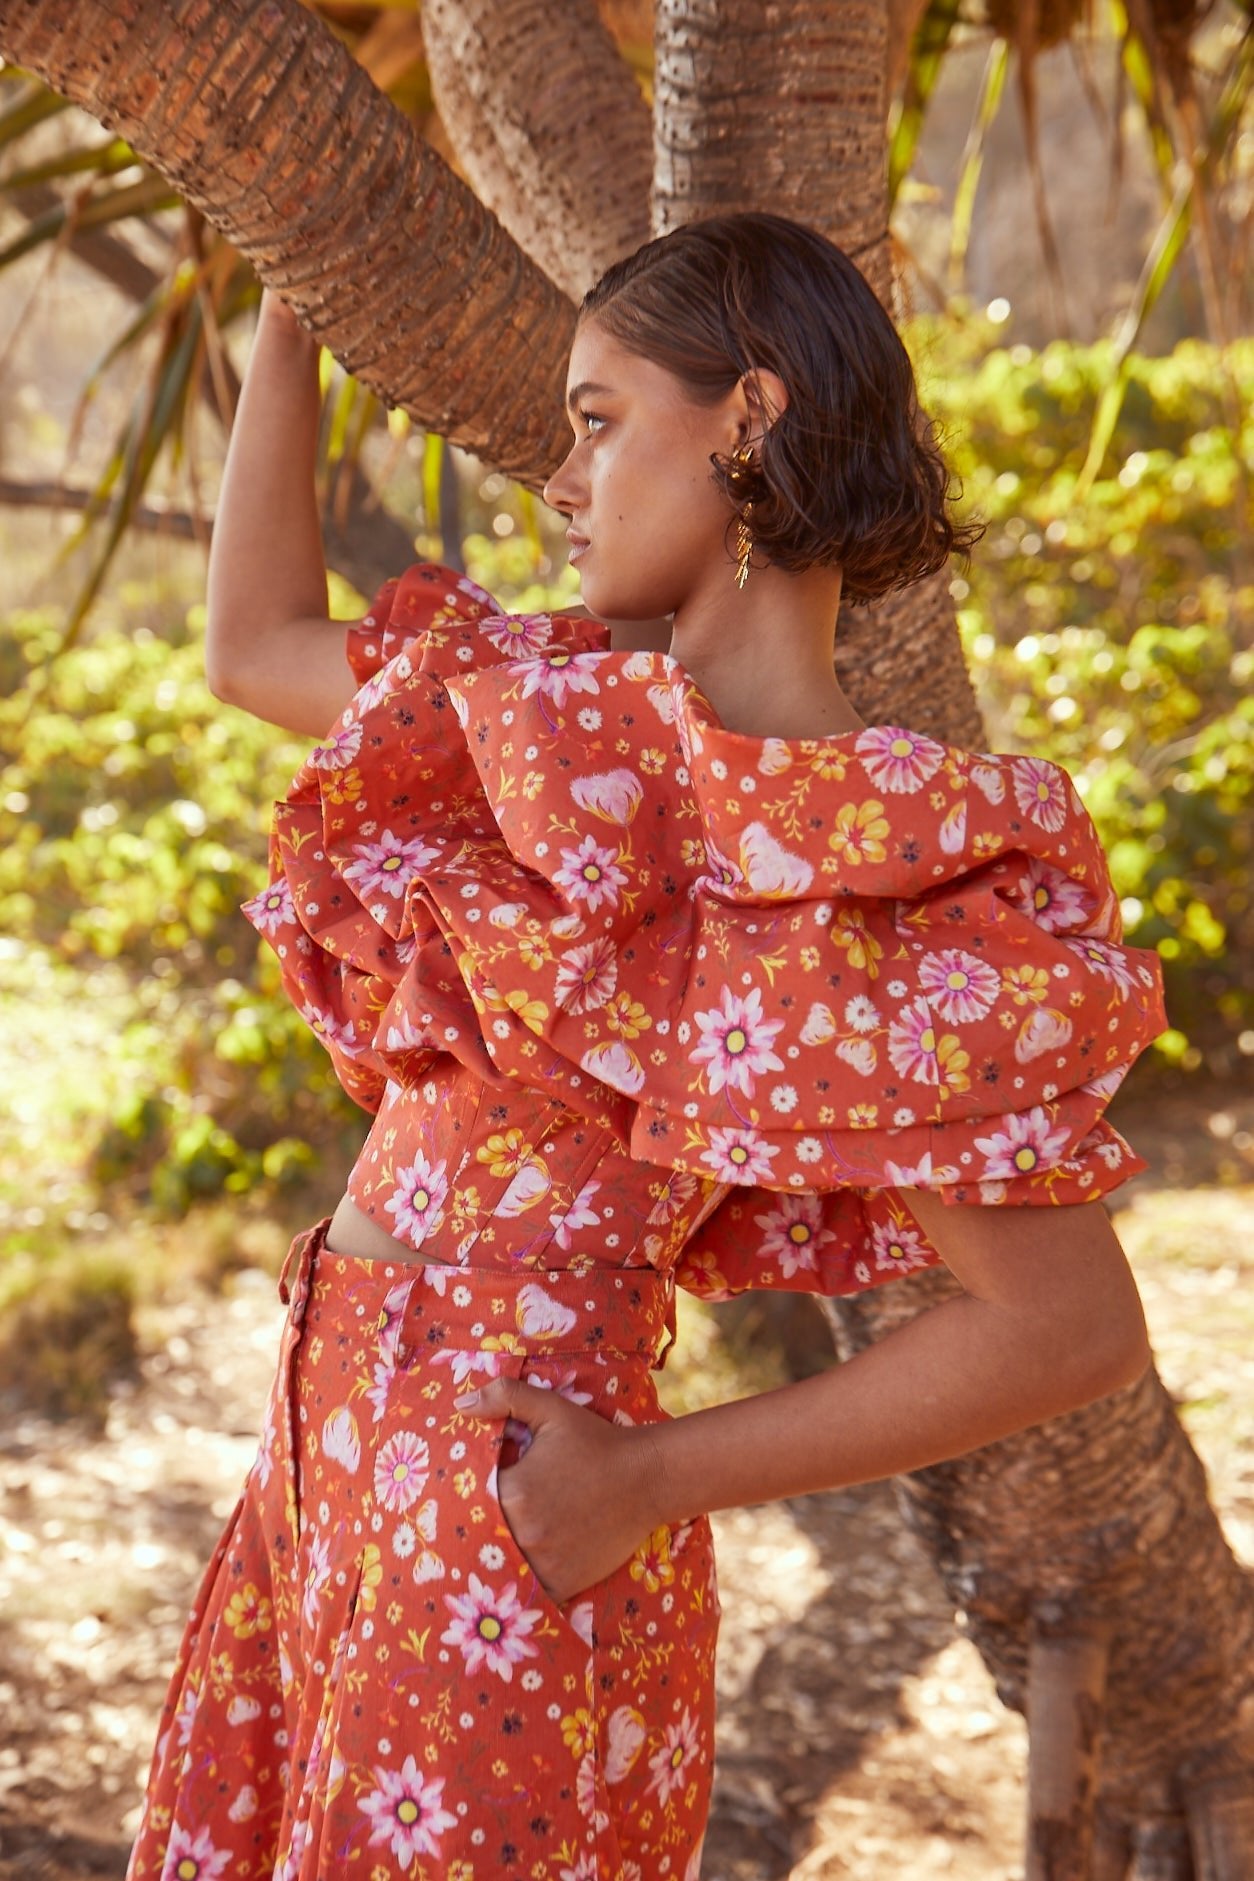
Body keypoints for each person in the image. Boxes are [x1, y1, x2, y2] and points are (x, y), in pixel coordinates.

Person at [127, 214, 1163, 1881]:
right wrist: (289, 287)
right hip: (325, 1465)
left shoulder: (854, 851)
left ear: (745, 420)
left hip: (508, 1528)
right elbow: (249, 646)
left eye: (599, 421)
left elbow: (1068, 1327)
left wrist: (654, 1478)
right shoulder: (560, 727)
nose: (563, 480)